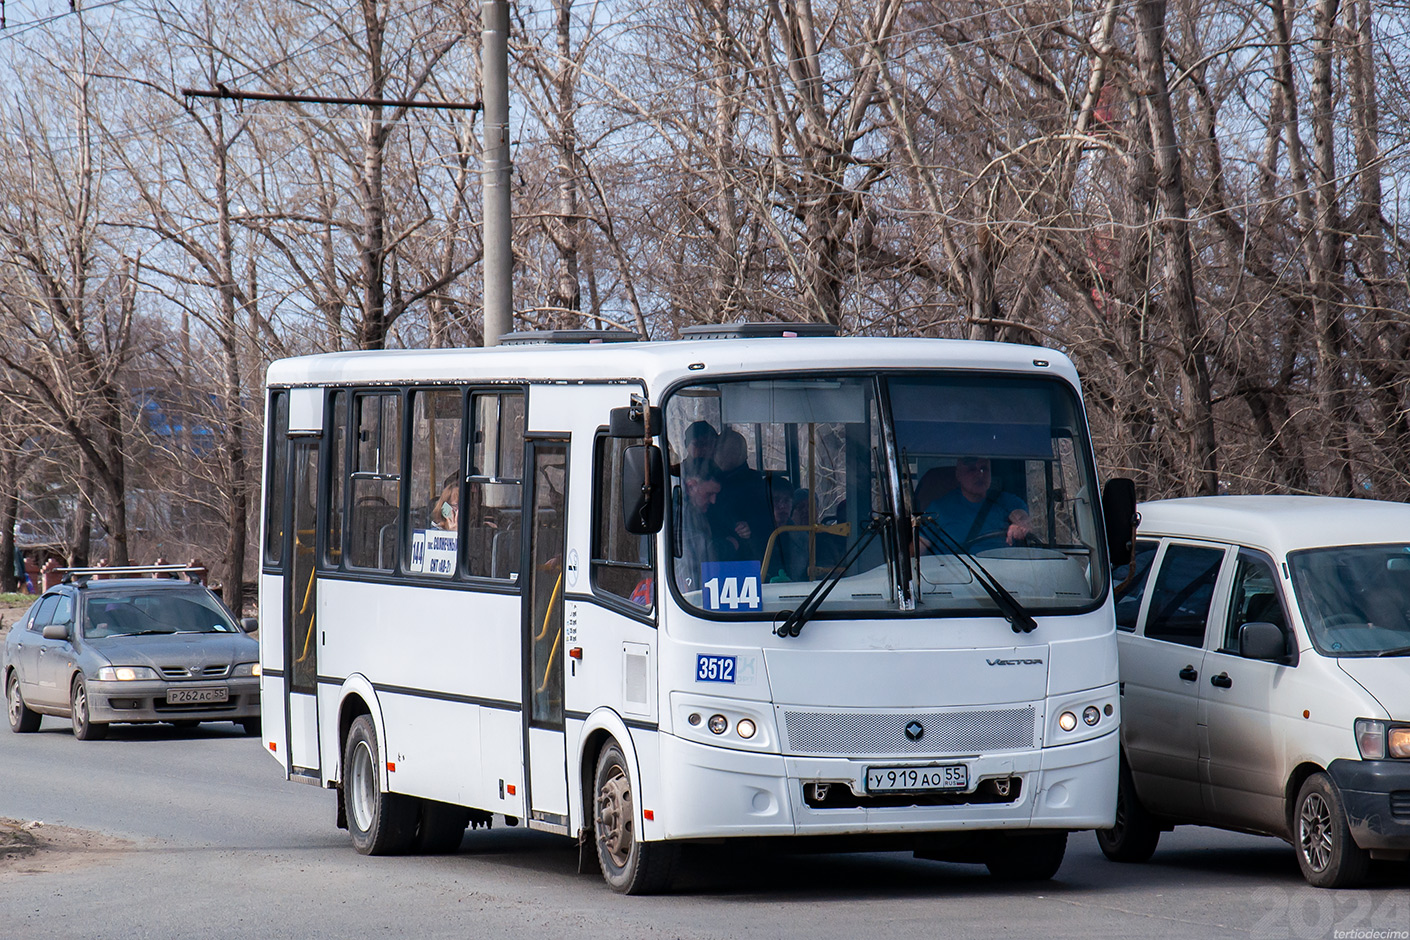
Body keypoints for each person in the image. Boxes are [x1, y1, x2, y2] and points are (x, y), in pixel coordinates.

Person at [922, 456, 1031, 552]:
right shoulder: (938, 509)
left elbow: (1020, 515)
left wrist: (1019, 525)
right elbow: (919, 546)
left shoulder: (1006, 501)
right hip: (953, 572)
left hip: (1000, 571)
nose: (980, 474)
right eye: (972, 469)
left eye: (984, 469)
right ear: (958, 475)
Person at [708, 429, 773, 562]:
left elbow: (766, 521)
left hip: (744, 555)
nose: (716, 455)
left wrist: (750, 528)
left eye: (722, 450)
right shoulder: (711, 478)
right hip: (715, 549)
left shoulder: (754, 485)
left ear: (738, 454)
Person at [676, 457, 722, 592]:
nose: (713, 501)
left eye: (716, 495)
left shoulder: (700, 513)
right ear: (690, 487)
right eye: (709, 494)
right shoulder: (674, 517)